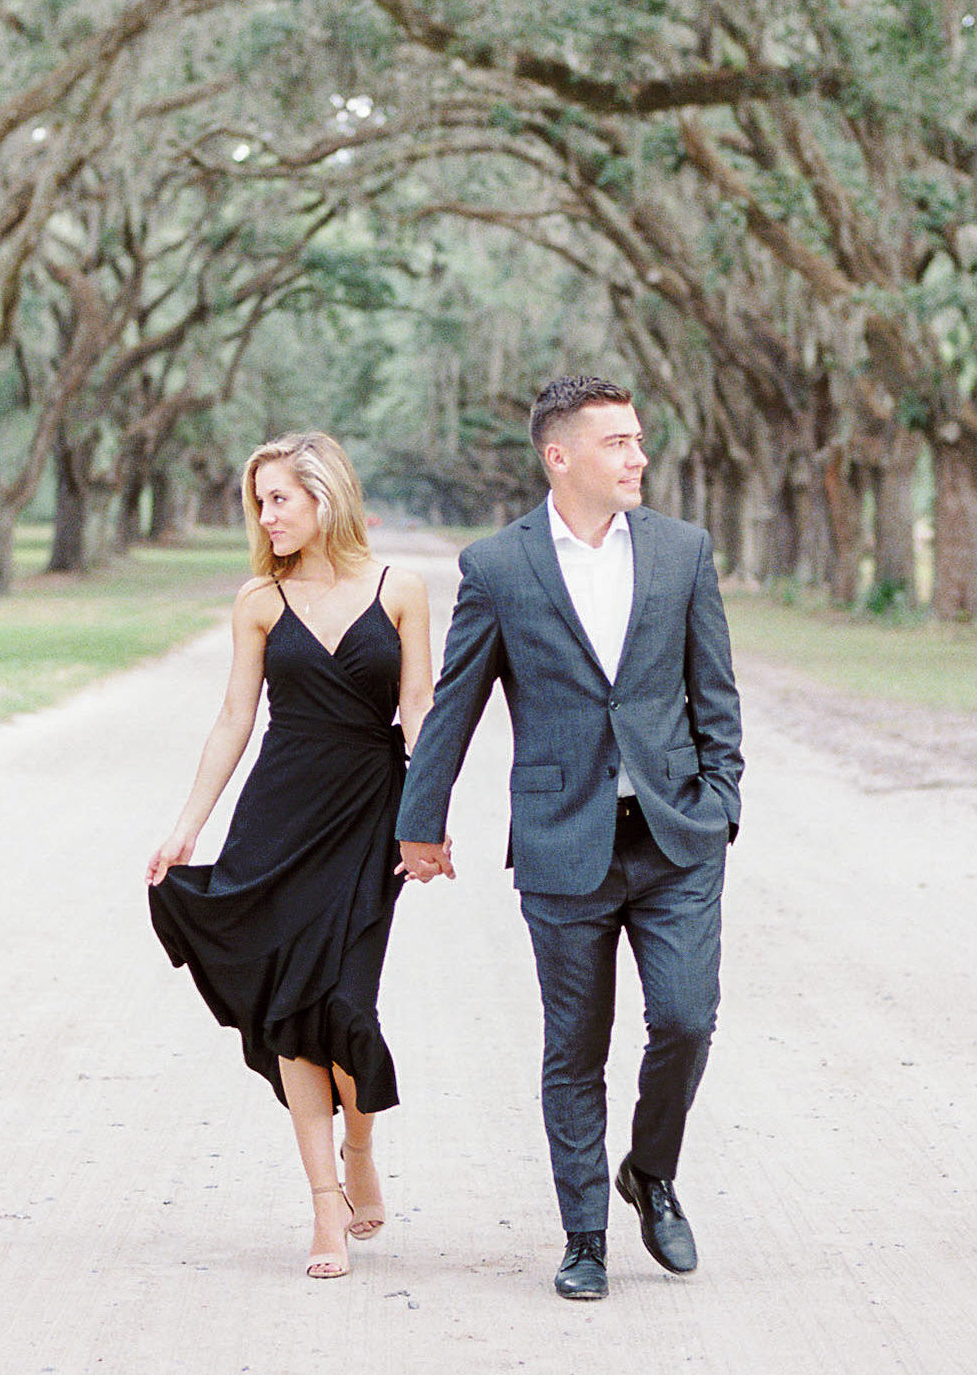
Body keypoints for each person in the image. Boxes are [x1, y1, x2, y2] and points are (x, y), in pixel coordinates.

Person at [396, 375, 742, 1301]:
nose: (637, 457)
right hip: (561, 838)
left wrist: (722, 805)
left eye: (637, 441)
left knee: (683, 1019)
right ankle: (584, 1235)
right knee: (573, 1046)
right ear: (560, 457)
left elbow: (715, 696)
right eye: (617, 443)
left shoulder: (681, 551)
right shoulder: (499, 567)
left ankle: (651, 1171)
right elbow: (455, 705)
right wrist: (418, 823)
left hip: (675, 838)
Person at [147, 431, 433, 1280]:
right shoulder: (258, 600)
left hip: (367, 817)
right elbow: (235, 718)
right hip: (277, 819)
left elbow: (418, 705)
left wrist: (428, 816)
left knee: (346, 1004)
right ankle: (322, 1213)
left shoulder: (400, 590)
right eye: (260, 501)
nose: (266, 516)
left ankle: (360, 1146)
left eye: (279, 498)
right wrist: (186, 826)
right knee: (292, 1015)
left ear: (325, 497)